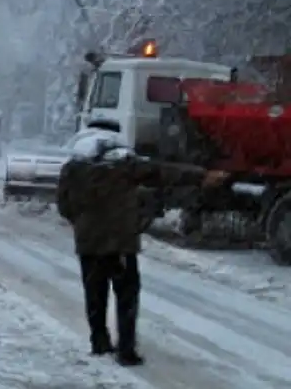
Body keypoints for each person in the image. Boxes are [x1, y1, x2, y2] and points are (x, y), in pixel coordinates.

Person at [56, 134, 228, 366]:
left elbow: (63, 206)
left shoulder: (72, 170)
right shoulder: (126, 167)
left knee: (95, 295)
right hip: (121, 245)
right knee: (126, 297)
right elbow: (163, 172)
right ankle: (126, 351)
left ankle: (99, 342)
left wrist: (84, 222)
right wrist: (200, 175)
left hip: (89, 244)